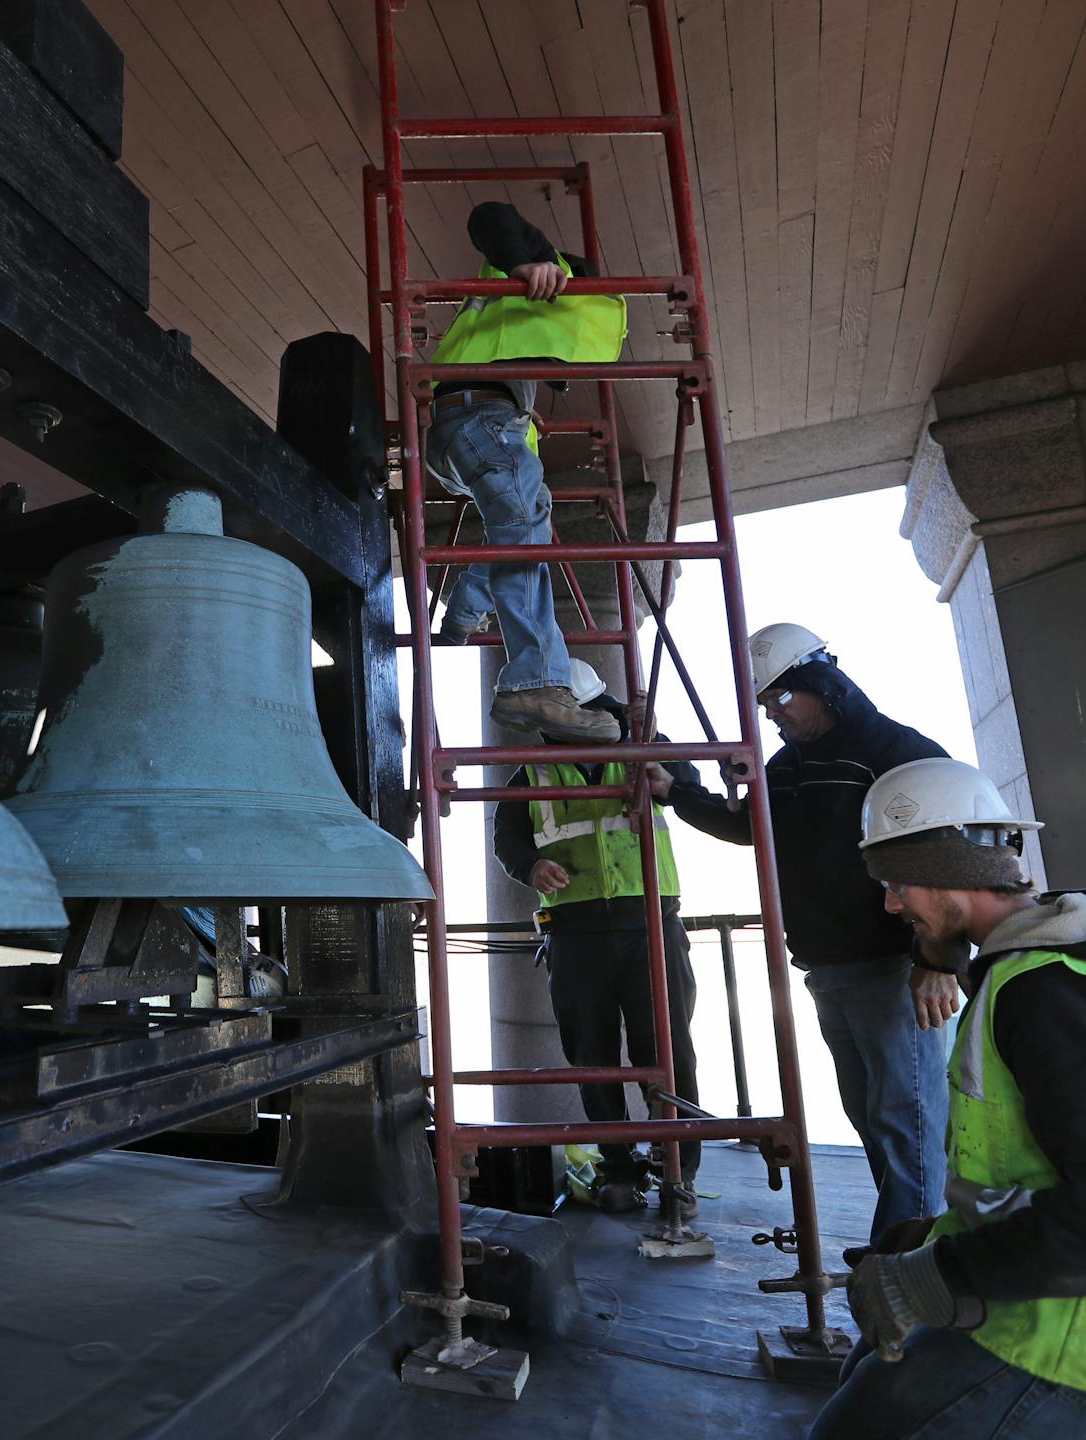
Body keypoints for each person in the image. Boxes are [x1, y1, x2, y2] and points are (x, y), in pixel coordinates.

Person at [812, 757, 1086, 1439]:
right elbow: (1038, 1176)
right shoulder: (1028, 978)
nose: (891, 905)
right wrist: (935, 1242)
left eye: (896, 882)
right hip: (1085, 1310)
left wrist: (933, 1276)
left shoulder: (1051, 994)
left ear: (950, 872)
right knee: (864, 1372)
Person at [640, 623, 953, 1243]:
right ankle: (905, 1245)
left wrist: (936, 958)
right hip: (828, 969)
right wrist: (678, 793)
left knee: (906, 1119)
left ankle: (912, 1262)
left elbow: (944, 858)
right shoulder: (788, 765)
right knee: (871, 1116)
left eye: (782, 698)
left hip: (893, 969)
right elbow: (754, 829)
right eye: (764, 706)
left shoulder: (899, 752)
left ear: (823, 683)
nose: (774, 715)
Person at [493, 659, 703, 1216]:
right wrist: (532, 867)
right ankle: (620, 1169)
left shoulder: (643, 747)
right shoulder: (531, 772)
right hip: (576, 932)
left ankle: (678, 1174)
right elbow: (508, 838)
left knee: (668, 1051)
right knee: (594, 1057)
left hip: (650, 924)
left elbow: (689, 784)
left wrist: (652, 738)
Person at [424, 201, 625, 743]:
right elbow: (488, 215)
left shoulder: (507, 331)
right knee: (526, 532)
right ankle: (535, 678)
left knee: (527, 528)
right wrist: (527, 262)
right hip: (480, 416)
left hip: (470, 420)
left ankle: (466, 610)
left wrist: (517, 402)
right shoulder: (545, 268)